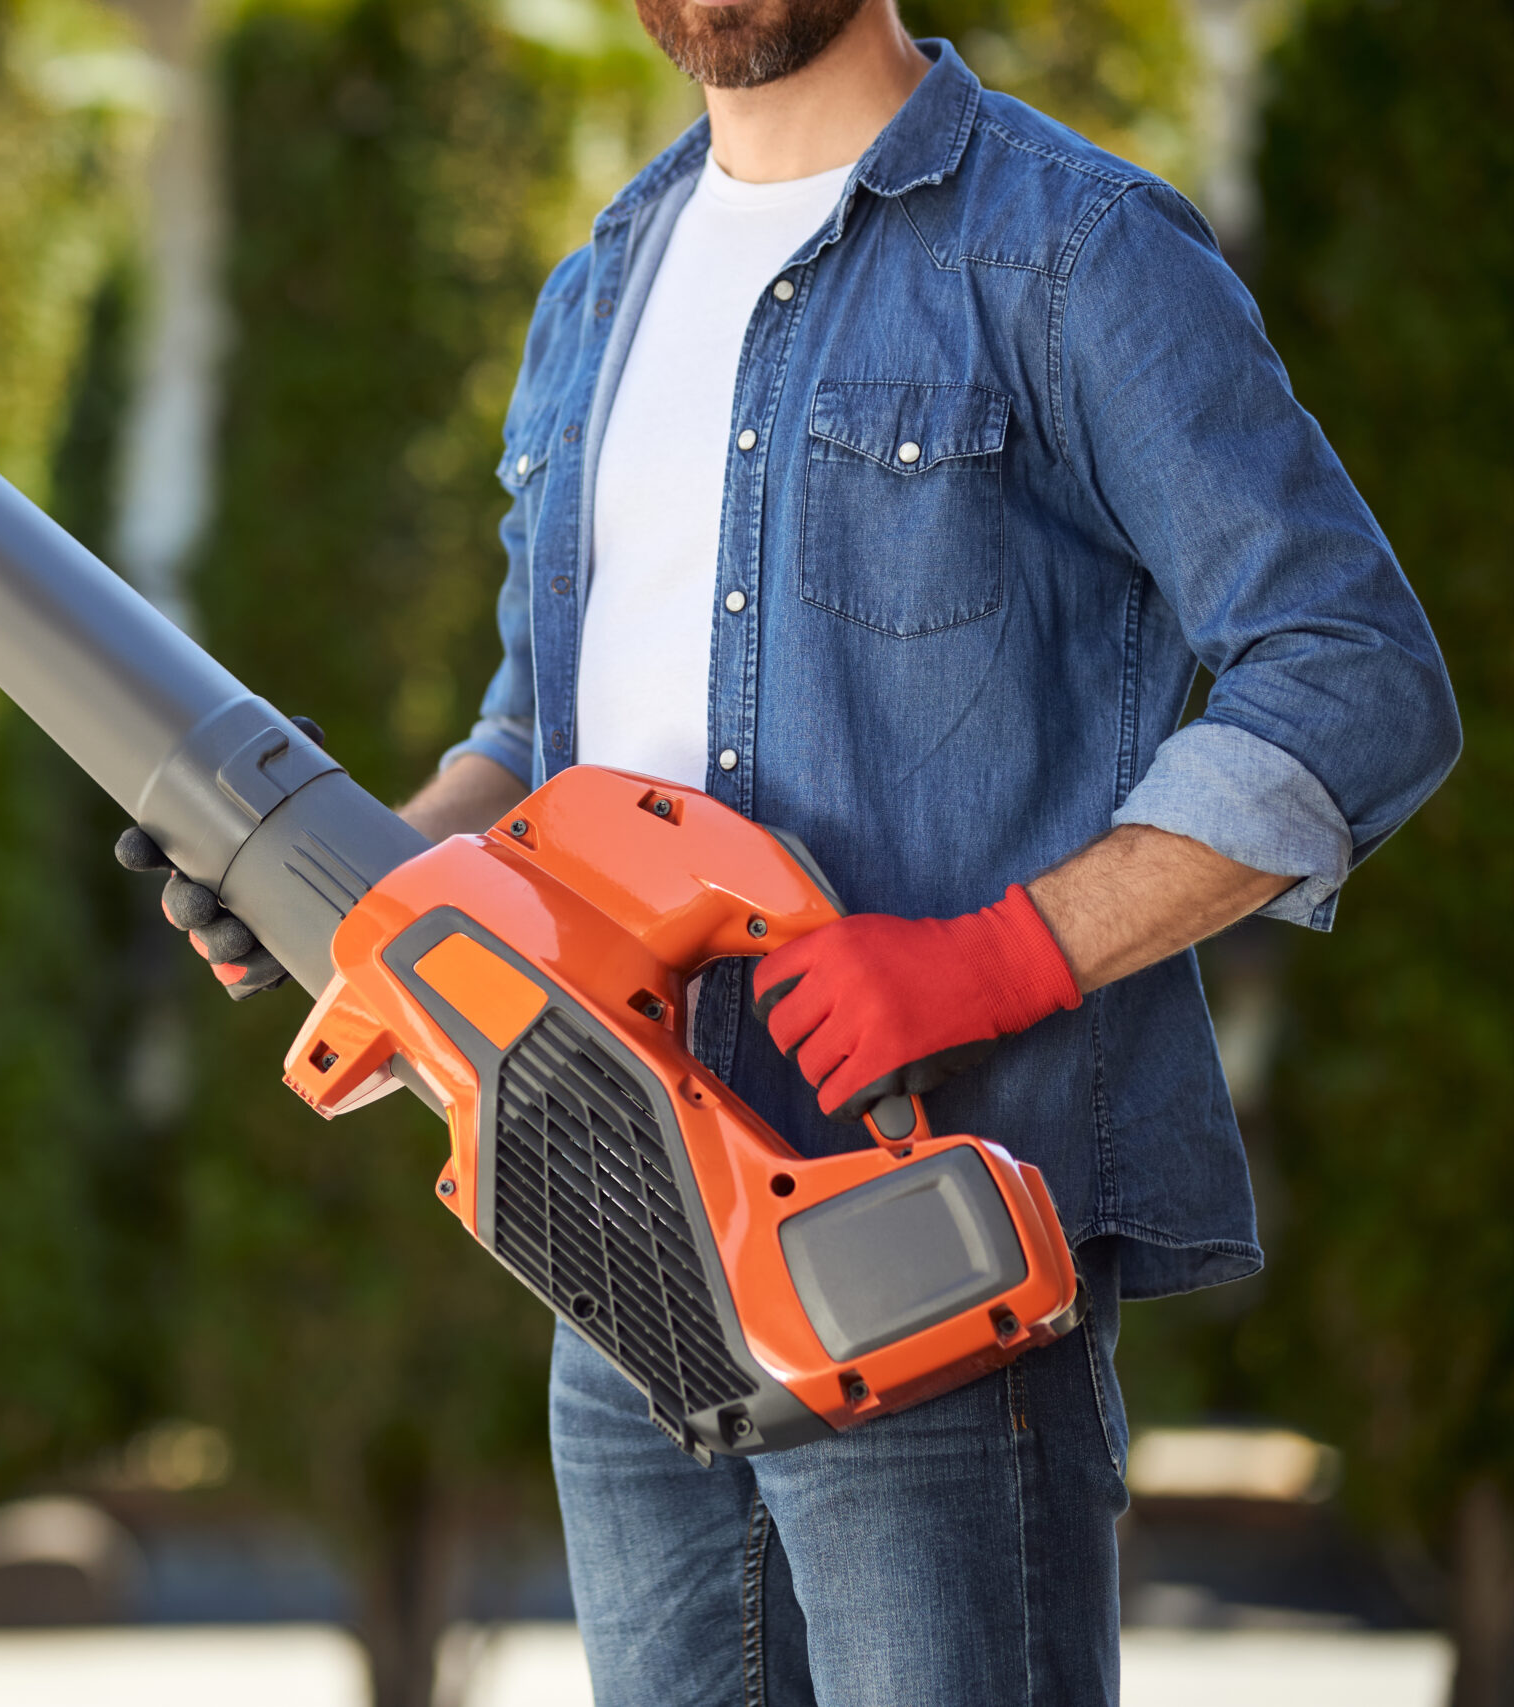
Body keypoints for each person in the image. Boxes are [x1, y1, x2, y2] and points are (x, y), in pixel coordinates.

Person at [120, 1, 1459, 1700]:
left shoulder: (1077, 252)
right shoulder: (599, 285)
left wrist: (991, 957)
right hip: (611, 1226)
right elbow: (540, 745)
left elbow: (1354, 678)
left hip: (920, 1238)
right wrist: (340, 894)